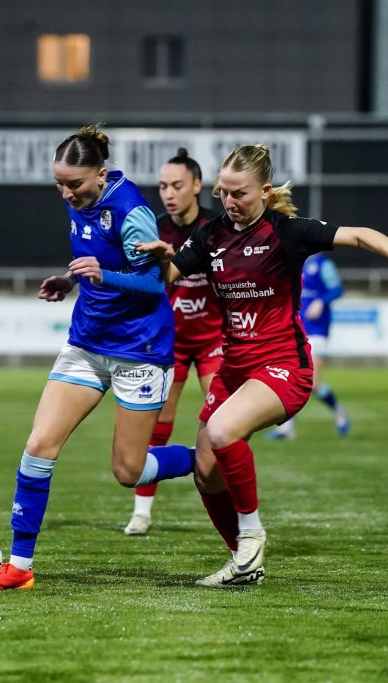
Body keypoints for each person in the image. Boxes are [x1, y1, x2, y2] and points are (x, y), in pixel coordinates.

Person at [138, 144, 388, 587]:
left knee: (222, 432)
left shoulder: (287, 232)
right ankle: (244, 563)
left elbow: (358, 235)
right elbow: (168, 276)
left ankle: (252, 536)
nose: (230, 202)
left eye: (239, 193)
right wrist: (154, 258)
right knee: (205, 472)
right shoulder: (211, 235)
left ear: (264, 190)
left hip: (283, 366)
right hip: (234, 368)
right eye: (224, 193)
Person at [0, 126, 196, 591]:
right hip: (86, 343)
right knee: (39, 447)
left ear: (101, 174)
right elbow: (94, 260)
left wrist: (103, 275)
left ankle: (206, 459)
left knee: (129, 471)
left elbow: (155, 283)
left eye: (75, 184)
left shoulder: (132, 212)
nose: (66, 193)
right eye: (59, 184)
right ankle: (19, 566)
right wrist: (71, 280)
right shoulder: (78, 200)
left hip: (140, 350)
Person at [124, 148, 221, 536]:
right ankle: (141, 512)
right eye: (163, 186)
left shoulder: (218, 227)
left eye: (177, 185)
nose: (168, 193)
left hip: (215, 340)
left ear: (197, 185)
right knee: (158, 425)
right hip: (170, 342)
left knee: (221, 425)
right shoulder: (155, 230)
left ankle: (232, 511)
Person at [267, 252, 350, 440]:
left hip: (317, 330)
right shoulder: (292, 260)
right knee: (287, 379)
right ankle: (286, 428)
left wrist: (321, 301)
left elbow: (337, 289)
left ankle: (339, 412)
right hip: (294, 329)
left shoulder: (322, 263)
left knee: (312, 383)